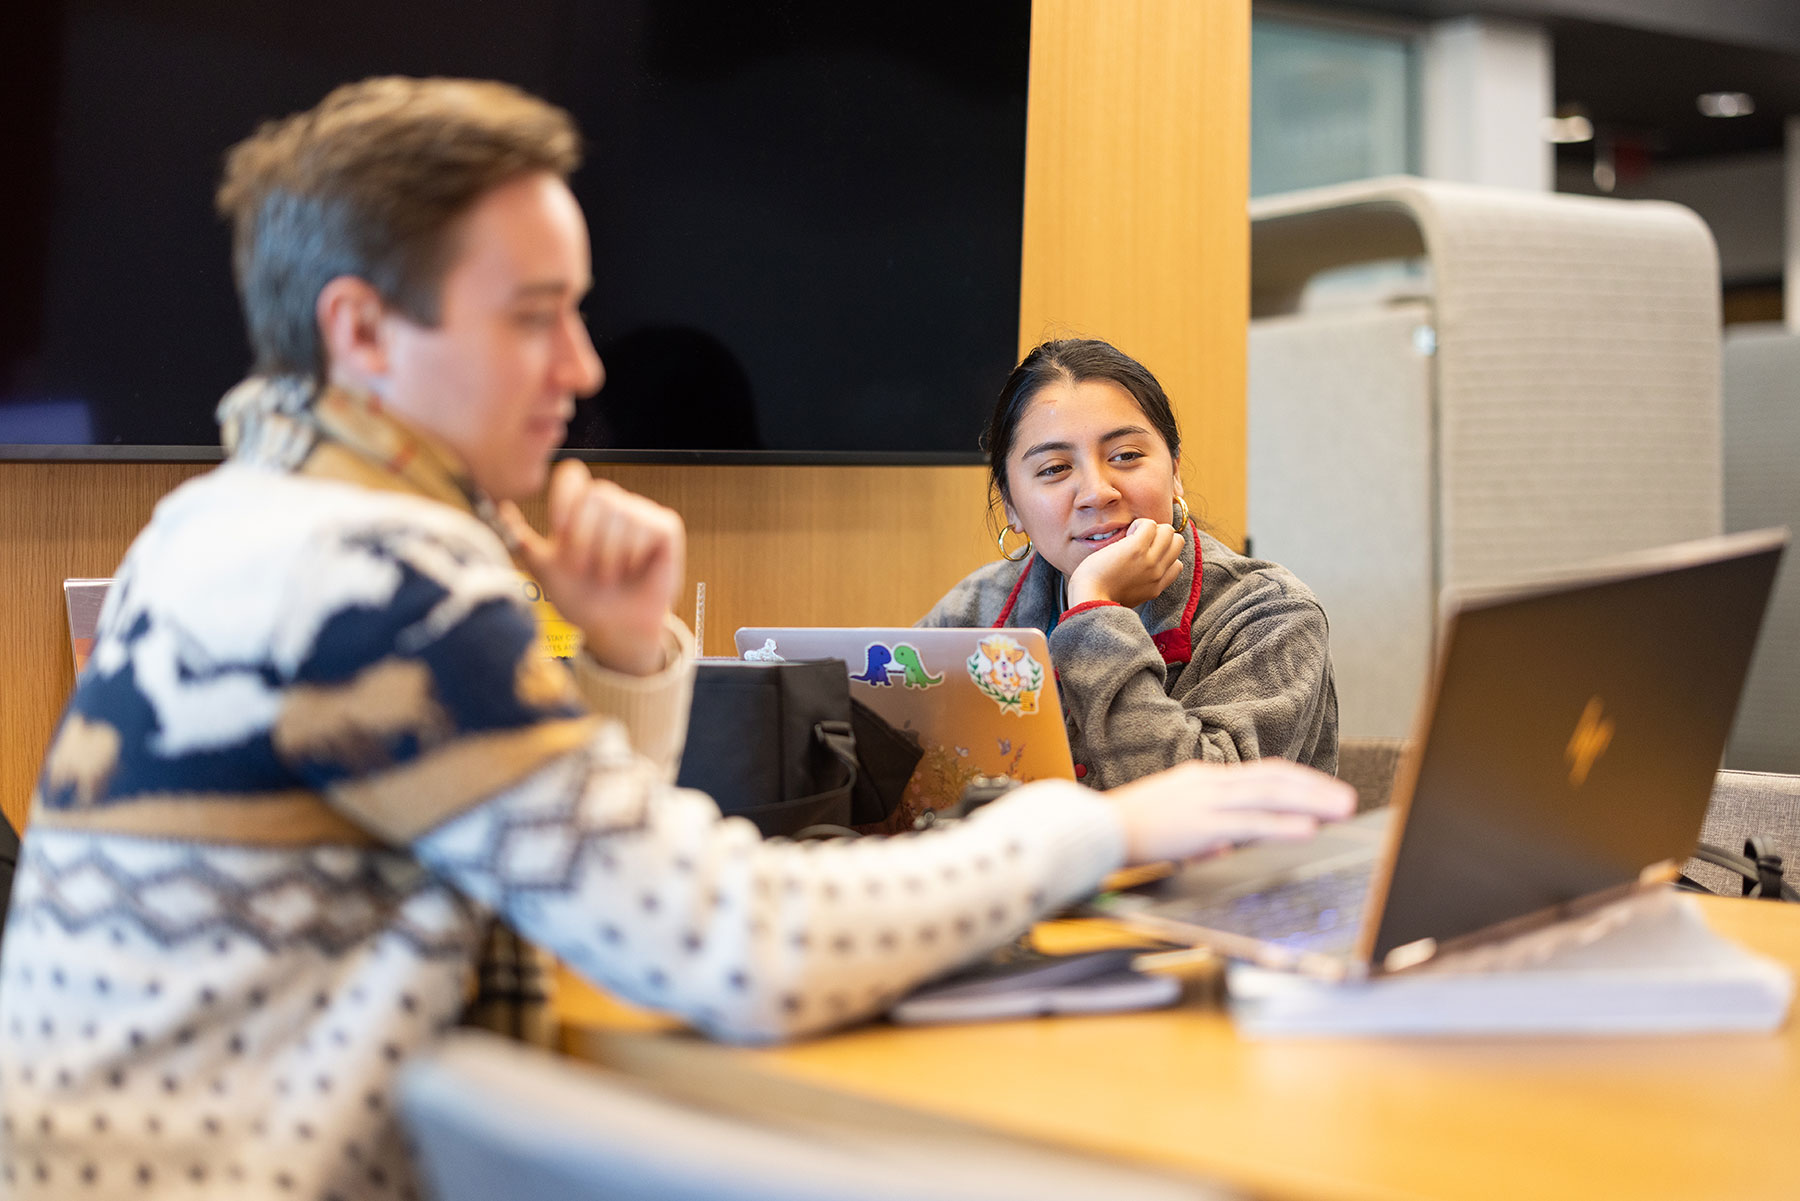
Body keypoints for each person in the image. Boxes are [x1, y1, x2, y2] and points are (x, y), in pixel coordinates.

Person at [0, 78, 1352, 1199]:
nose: (587, 366)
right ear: (360, 330)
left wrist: (630, 661)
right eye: (536, 316)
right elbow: (733, 945)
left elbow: (562, 865)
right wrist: (1101, 831)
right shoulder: (373, 579)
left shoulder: (221, 520)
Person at [921, 339, 1338, 788]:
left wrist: (1095, 611)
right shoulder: (970, 616)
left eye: (1126, 456)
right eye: (1055, 468)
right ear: (1012, 508)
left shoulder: (1270, 615)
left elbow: (1195, 815)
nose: (1098, 491)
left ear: (1174, 471)